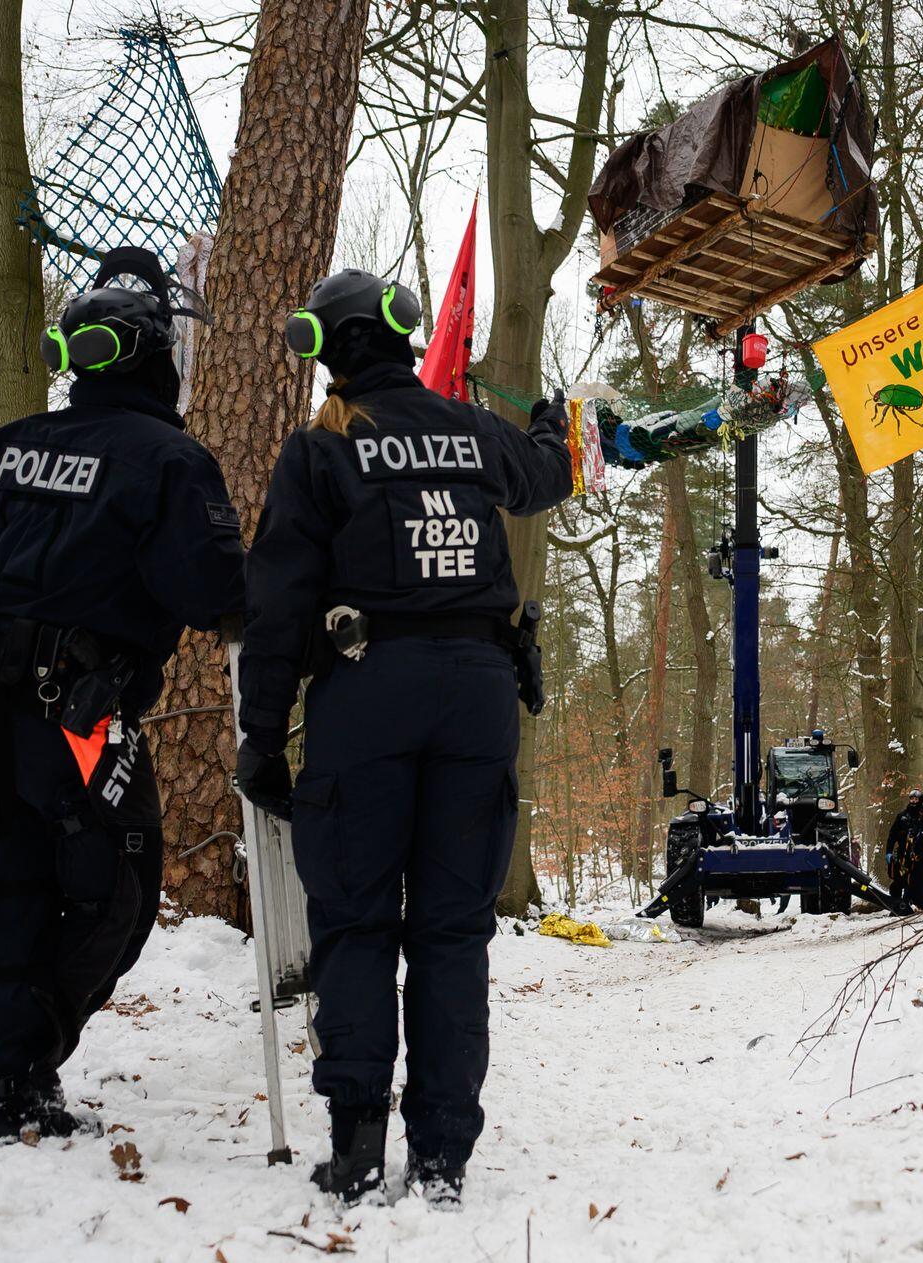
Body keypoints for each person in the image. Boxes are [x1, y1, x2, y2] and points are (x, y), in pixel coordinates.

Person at [0, 249, 244, 1144]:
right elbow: (212, 592)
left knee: (1, 883)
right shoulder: (169, 460)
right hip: (80, 717)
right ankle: (5, 1072)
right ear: (153, 355)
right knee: (117, 891)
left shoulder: (11, 447)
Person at [234, 269, 570, 1207]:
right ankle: (441, 1158)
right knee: (453, 929)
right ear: (397, 334)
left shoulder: (322, 447)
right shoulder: (471, 428)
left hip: (367, 695)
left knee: (356, 921)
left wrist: (262, 735)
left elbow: (277, 605)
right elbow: (544, 476)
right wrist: (551, 427)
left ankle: (355, 1146)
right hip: (478, 695)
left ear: (325, 348)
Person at [886, 789, 923, 912]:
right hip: (903, 857)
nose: (913, 801)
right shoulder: (902, 816)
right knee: (897, 884)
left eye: (916, 799)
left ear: (920, 800)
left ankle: (919, 906)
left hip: (920, 858)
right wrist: (889, 851)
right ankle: (897, 906)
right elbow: (892, 835)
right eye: (911, 799)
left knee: (919, 885)